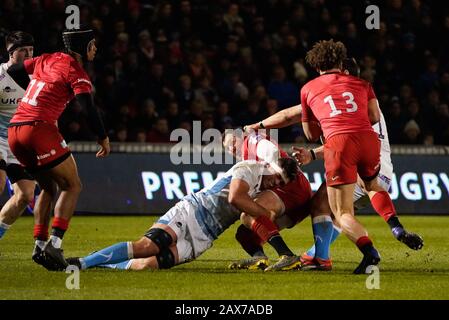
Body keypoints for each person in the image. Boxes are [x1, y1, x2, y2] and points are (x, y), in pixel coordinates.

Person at [245, 55, 423, 273]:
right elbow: (290, 114)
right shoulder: (358, 97)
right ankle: (320, 253)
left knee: (322, 204)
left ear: (344, 73)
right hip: (377, 169)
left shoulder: (342, 100)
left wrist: (312, 154)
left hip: (359, 164)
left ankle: (326, 257)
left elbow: (346, 141)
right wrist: (260, 124)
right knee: (339, 211)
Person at [66, 158, 298, 271]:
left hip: (206, 236)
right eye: (276, 177)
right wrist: (266, 213)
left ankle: (104, 263)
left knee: (147, 265)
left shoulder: (263, 188)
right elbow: (235, 198)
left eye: (279, 183)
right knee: (149, 246)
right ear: (270, 166)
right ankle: (82, 263)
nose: (274, 183)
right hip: (193, 211)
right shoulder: (250, 168)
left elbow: (248, 217)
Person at [7, 27, 110, 270]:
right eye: (92, 44)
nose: (95, 49)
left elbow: (13, 70)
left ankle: (40, 247)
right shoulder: (77, 71)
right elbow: (88, 107)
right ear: (83, 47)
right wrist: (102, 137)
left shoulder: (46, 58)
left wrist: (34, 87)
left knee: (48, 188)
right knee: (73, 185)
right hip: (39, 128)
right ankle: (54, 243)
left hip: (15, 129)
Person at [223, 129, 312, 271]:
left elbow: (269, 149)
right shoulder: (248, 158)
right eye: (227, 148)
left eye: (233, 141)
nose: (231, 148)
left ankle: (287, 255)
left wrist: (275, 171)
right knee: (245, 233)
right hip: (298, 198)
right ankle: (259, 257)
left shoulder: (251, 140)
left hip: (292, 189)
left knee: (248, 214)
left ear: (242, 136)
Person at [0, 31, 44, 258]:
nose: (29, 55)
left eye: (31, 51)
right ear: (11, 53)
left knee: (25, 196)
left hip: (20, 144)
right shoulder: (0, 76)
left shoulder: (37, 78)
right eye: (23, 51)